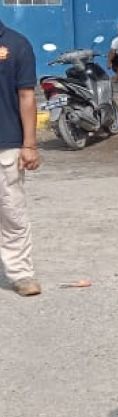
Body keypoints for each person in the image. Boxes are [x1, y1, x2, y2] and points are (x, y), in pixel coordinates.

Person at [0, 18, 41, 297]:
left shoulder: (17, 44)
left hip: (7, 144)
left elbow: (26, 96)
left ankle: (21, 273)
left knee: (11, 212)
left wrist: (30, 144)